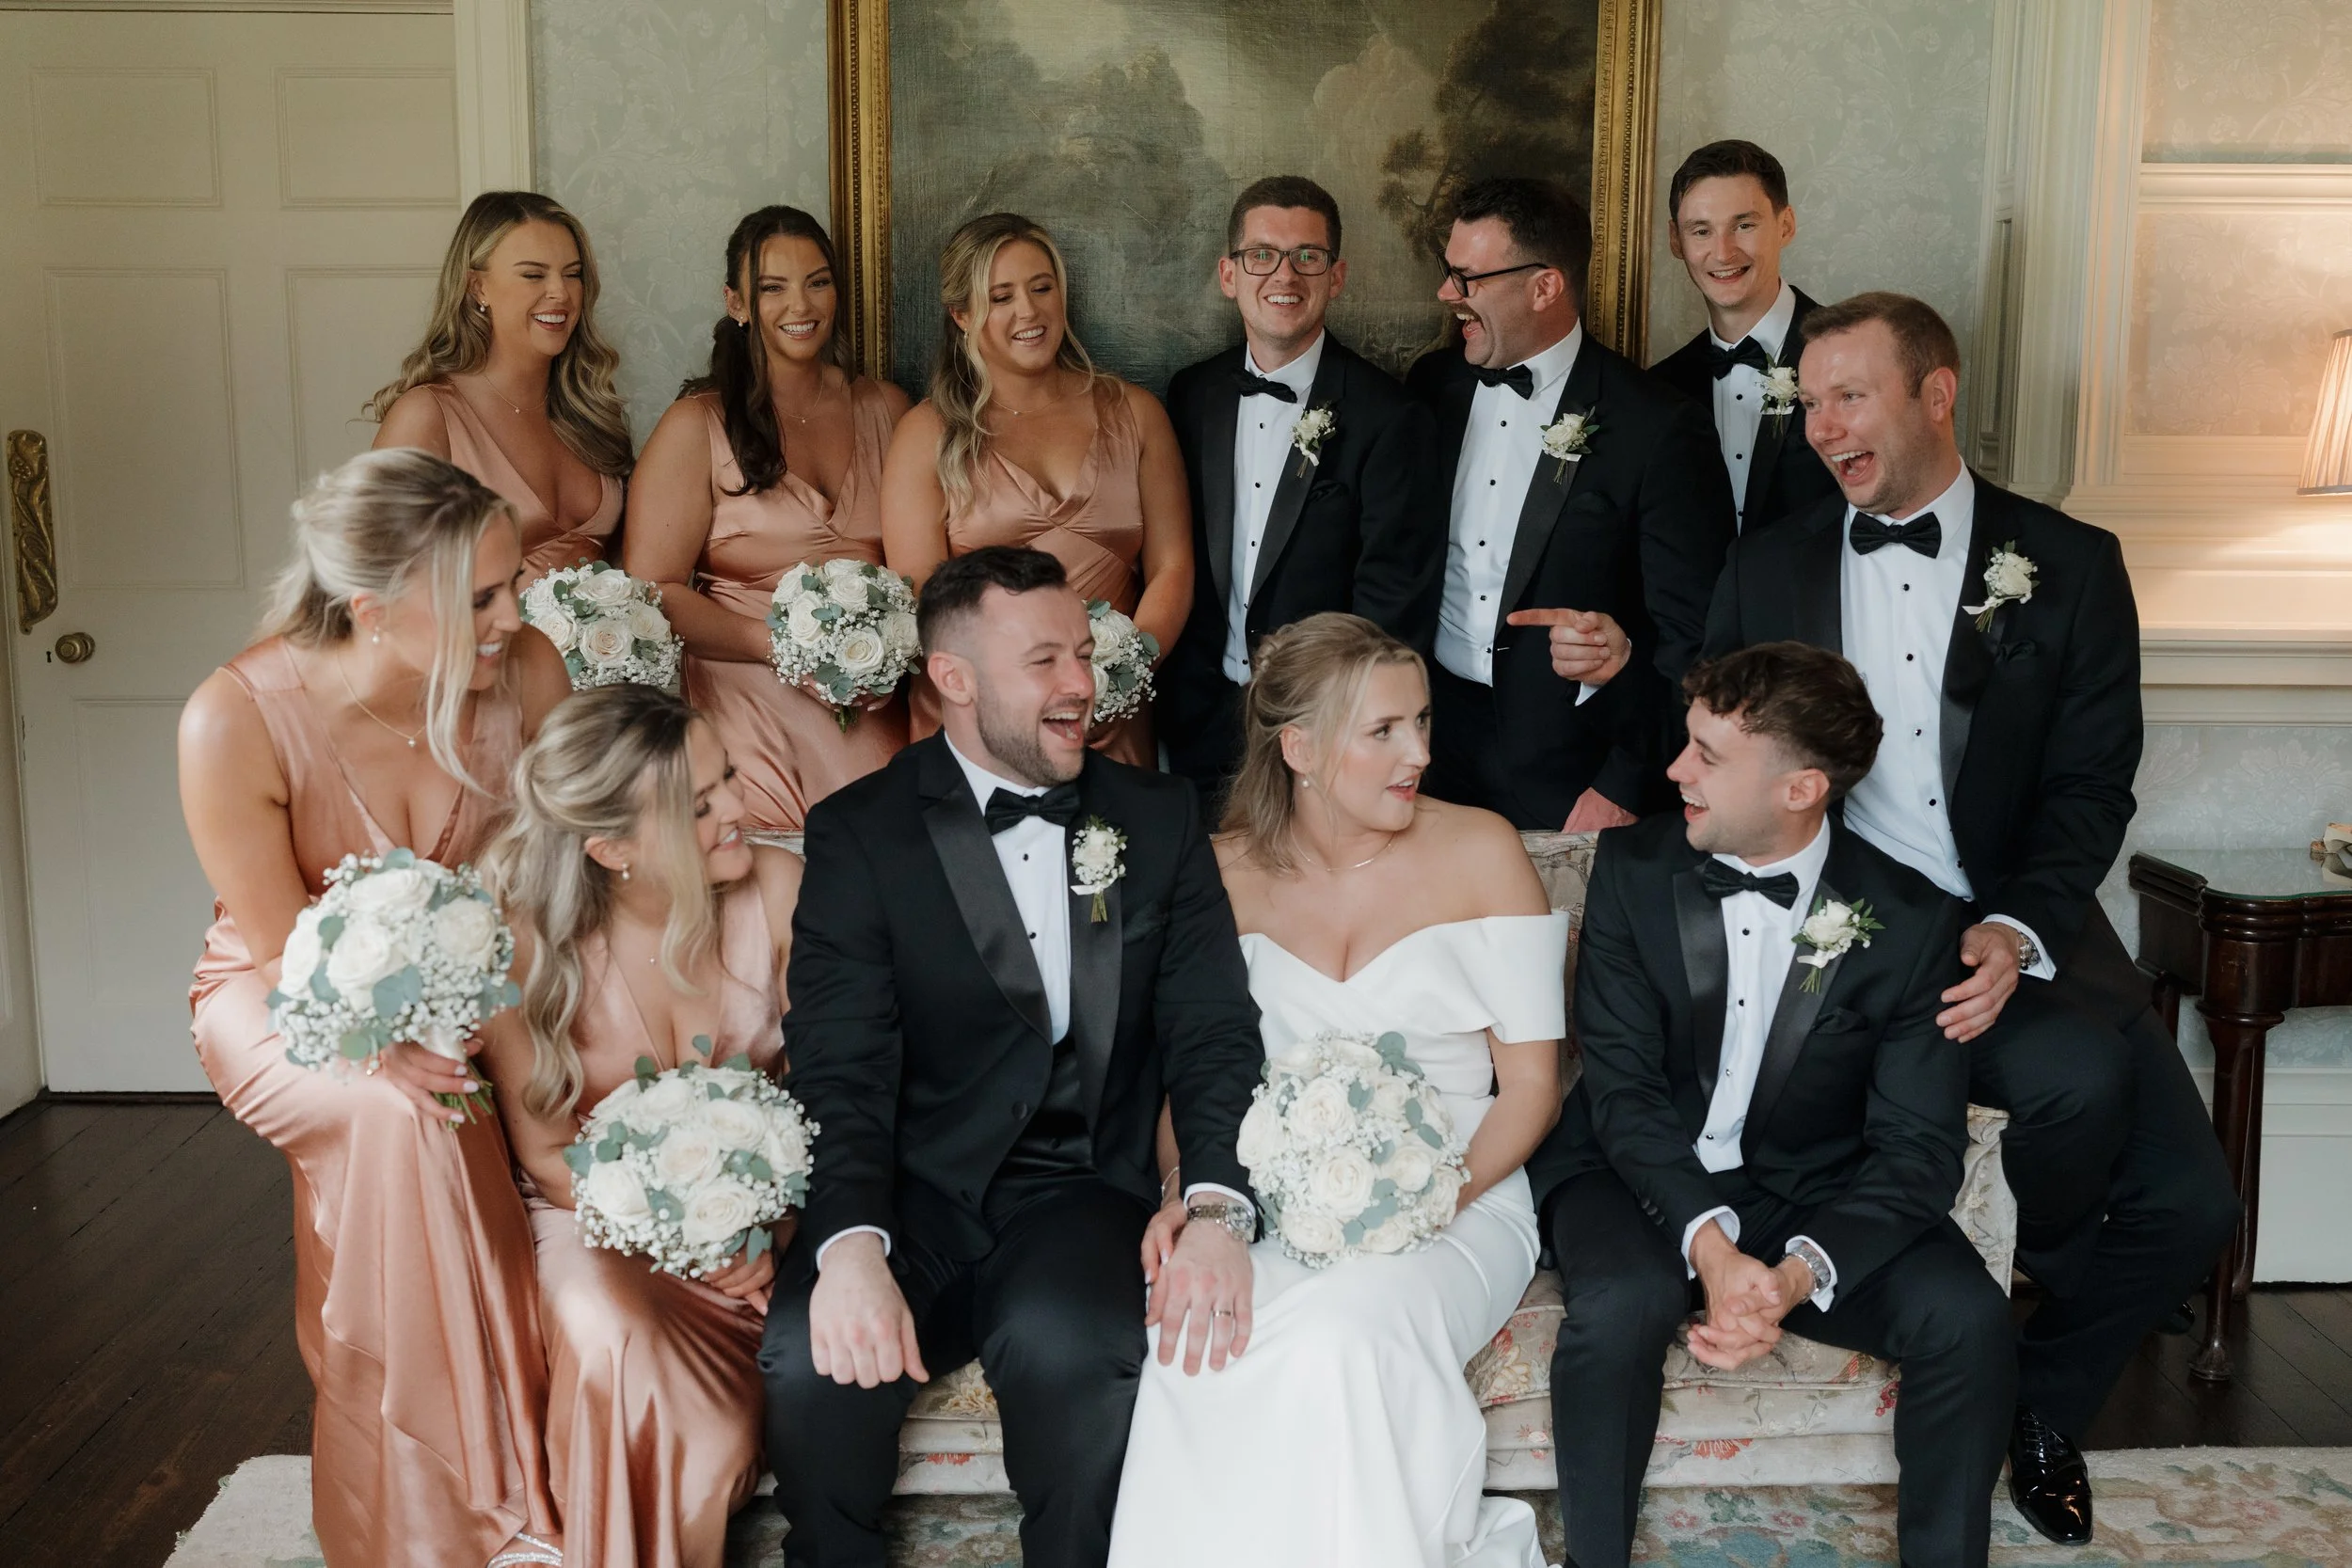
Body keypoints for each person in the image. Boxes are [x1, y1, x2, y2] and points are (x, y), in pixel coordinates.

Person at [1700, 293, 2240, 1544]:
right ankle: (2019, 1303)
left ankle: (2040, 1391)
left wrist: (2017, 929)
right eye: (1810, 399)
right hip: (1847, 952)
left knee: (2195, 1202)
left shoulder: (2071, 560)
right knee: (2062, 1083)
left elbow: (2089, 783)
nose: (1822, 424)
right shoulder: (1769, 563)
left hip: (2024, 917)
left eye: (1852, 395)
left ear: (1936, 395)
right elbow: (1718, 761)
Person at [758, 546, 1263, 1568]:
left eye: (1082, 652)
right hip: (912, 1191)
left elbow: (1212, 1029)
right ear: (953, 679)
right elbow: (839, 1059)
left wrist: (1215, 1202)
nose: (1082, 683)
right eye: (1044, 661)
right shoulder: (859, 834)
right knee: (812, 1369)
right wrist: (849, 1241)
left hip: (1082, 1190)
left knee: (1073, 1352)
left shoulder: (1157, 819)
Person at [1532, 641, 2011, 1568]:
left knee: (1970, 1317)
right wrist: (1711, 1248)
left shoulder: (1909, 920)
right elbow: (1624, 1091)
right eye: (1686, 741)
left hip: (1812, 1185)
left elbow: (1916, 1150)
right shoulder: (1633, 866)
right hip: (1633, 1169)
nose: (1675, 769)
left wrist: (1791, 1275)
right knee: (1624, 1299)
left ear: (1800, 788)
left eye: (1708, 753)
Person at [179, 448, 575, 1568]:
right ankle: (486, 1516)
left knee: (440, 1118)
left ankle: (407, 1504)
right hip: (287, 993)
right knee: (406, 1120)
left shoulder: (529, 671)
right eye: (483, 597)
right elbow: (276, 946)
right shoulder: (235, 716)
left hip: (478, 978)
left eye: (514, 583)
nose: (515, 615)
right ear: (373, 609)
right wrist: (380, 1047)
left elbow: (557, 877)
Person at [1109, 613, 1565, 1568]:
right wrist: (1190, 1203)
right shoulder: (1221, 871)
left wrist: (1429, 1193)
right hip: (1269, 1199)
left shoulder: (1483, 850)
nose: (1422, 752)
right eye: (1387, 730)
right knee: (1195, 1330)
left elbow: (1529, 1086)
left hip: (1459, 1198)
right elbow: (1190, 1079)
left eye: (1424, 722)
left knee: (1349, 1329)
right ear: (1300, 747)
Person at [478, 685, 804, 1568]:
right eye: (700, 804)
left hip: (766, 1235)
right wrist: (688, 1234)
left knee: (717, 1433)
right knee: (610, 1335)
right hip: (595, 1224)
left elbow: (840, 1092)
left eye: (729, 777)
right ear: (612, 846)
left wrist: (760, 1229)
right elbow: (547, 1155)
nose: (740, 807)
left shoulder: (778, 891)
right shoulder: (525, 942)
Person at [1406, 177, 1734, 831]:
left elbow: (1695, 640)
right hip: (1427, 755)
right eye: (1449, 273)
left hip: (1571, 777)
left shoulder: (1659, 427)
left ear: (1544, 286)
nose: (1447, 294)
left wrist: (1626, 783)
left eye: (1466, 278)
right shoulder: (1431, 387)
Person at [625, 206, 913, 831]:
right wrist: (782, 647)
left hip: (874, 700)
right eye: (772, 288)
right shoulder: (695, 426)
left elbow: (920, 563)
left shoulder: (888, 409)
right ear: (737, 303)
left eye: (817, 281)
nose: (800, 305)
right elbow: (651, 593)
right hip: (747, 699)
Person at [1157, 177, 1444, 802]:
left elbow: (1392, 604)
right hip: (1197, 726)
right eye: (1261, 255)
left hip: (1322, 731)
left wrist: (1336, 726)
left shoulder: (1391, 418)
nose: (1283, 275)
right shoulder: (1191, 396)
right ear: (1229, 274)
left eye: (1307, 257)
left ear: (1335, 276)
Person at [880, 213, 1193, 769]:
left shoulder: (1137, 414)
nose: (1029, 310)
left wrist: (1120, 674)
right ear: (962, 314)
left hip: (1111, 712)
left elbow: (1172, 566)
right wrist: (1018, 690)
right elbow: (921, 588)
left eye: (1041, 287)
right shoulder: (927, 433)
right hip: (983, 716)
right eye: (1000, 297)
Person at [372, 191, 632, 583]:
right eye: (533, 274)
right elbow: (379, 583)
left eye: (573, 273)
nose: (560, 292)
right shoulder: (427, 416)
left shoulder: (593, 410)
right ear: (478, 288)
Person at [1648, 140, 1839, 535]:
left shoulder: (1849, 356)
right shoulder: (1660, 387)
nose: (1723, 252)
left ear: (1785, 225)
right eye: (1701, 231)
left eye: (1744, 225)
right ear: (1675, 240)